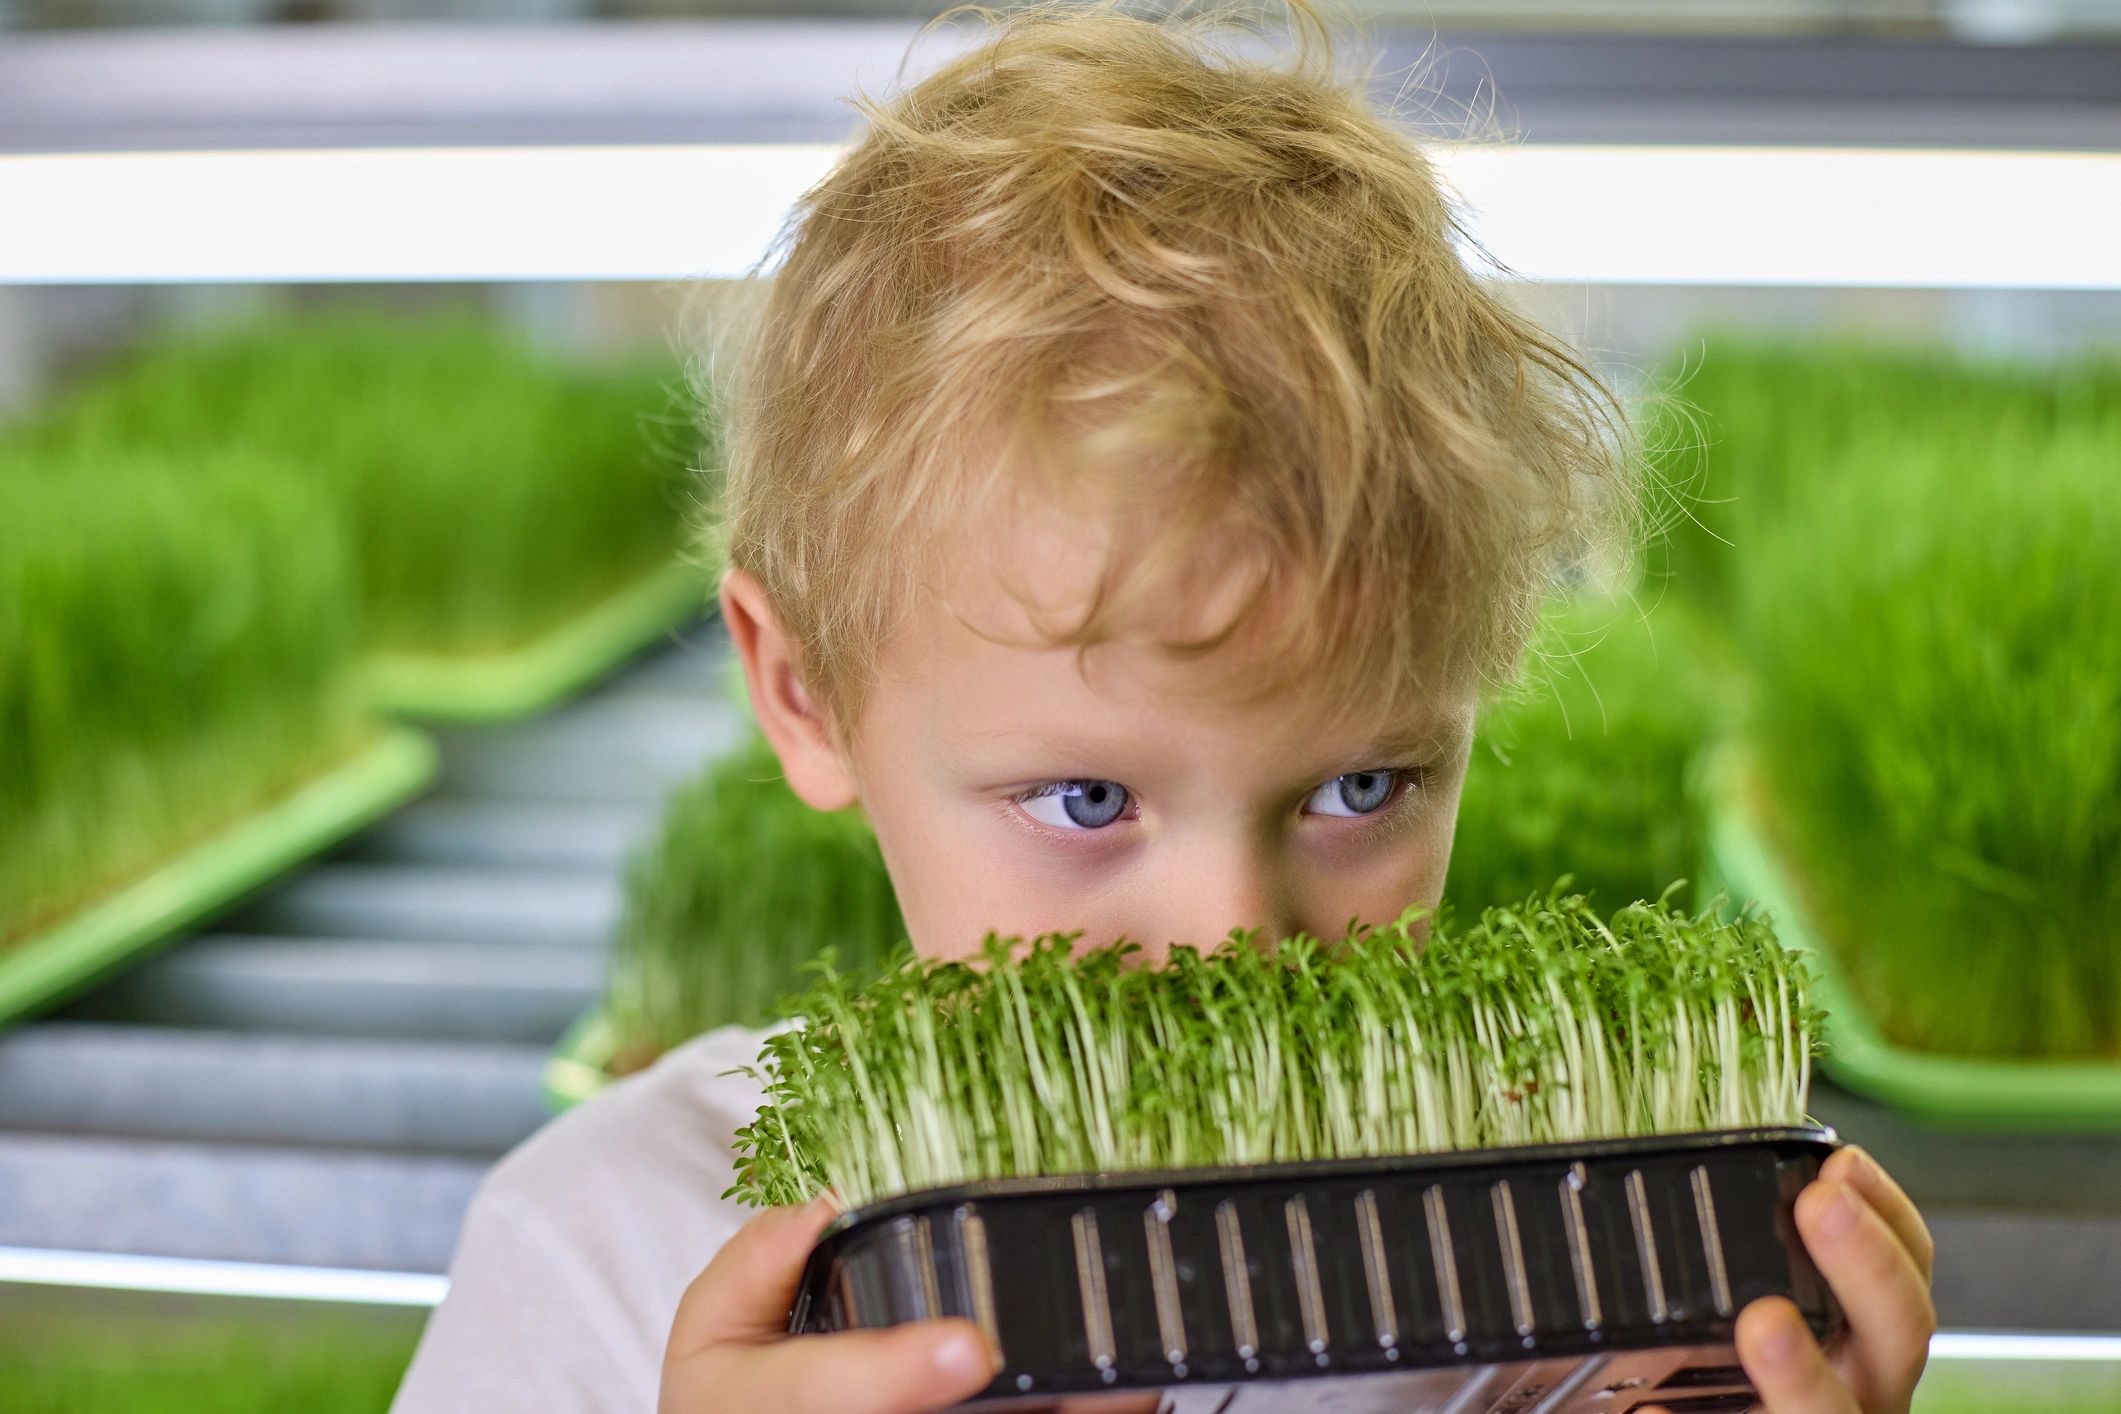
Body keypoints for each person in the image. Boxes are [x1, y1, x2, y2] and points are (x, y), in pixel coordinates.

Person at [391, 3, 1935, 1411]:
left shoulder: (1567, 1272)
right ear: (802, 694)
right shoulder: (606, 1247)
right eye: (1085, 800)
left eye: (1359, 790)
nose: (1229, 936)